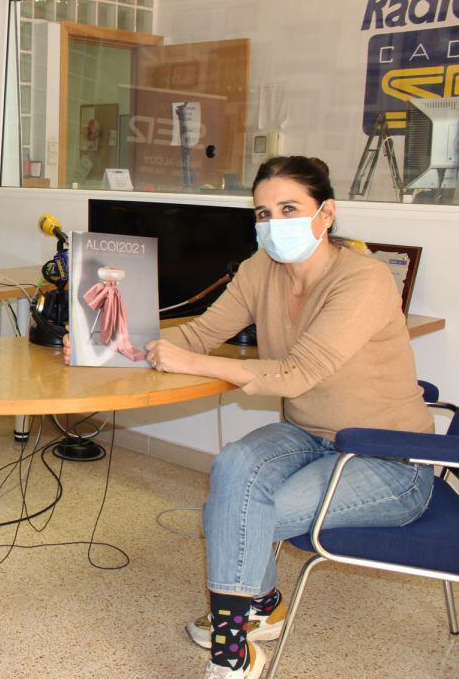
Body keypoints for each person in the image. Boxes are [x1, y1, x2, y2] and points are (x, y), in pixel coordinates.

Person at [66, 156, 433, 679]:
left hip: (389, 455)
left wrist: (191, 362)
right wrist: (101, 345)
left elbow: (296, 374)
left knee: (241, 515)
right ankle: (260, 608)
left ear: (326, 213)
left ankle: (231, 644)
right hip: (309, 434)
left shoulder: (365, 280)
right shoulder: (260, 269)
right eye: (262, 213)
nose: (272, 223)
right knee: (235, 467)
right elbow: (196, 335)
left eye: (289, 208)